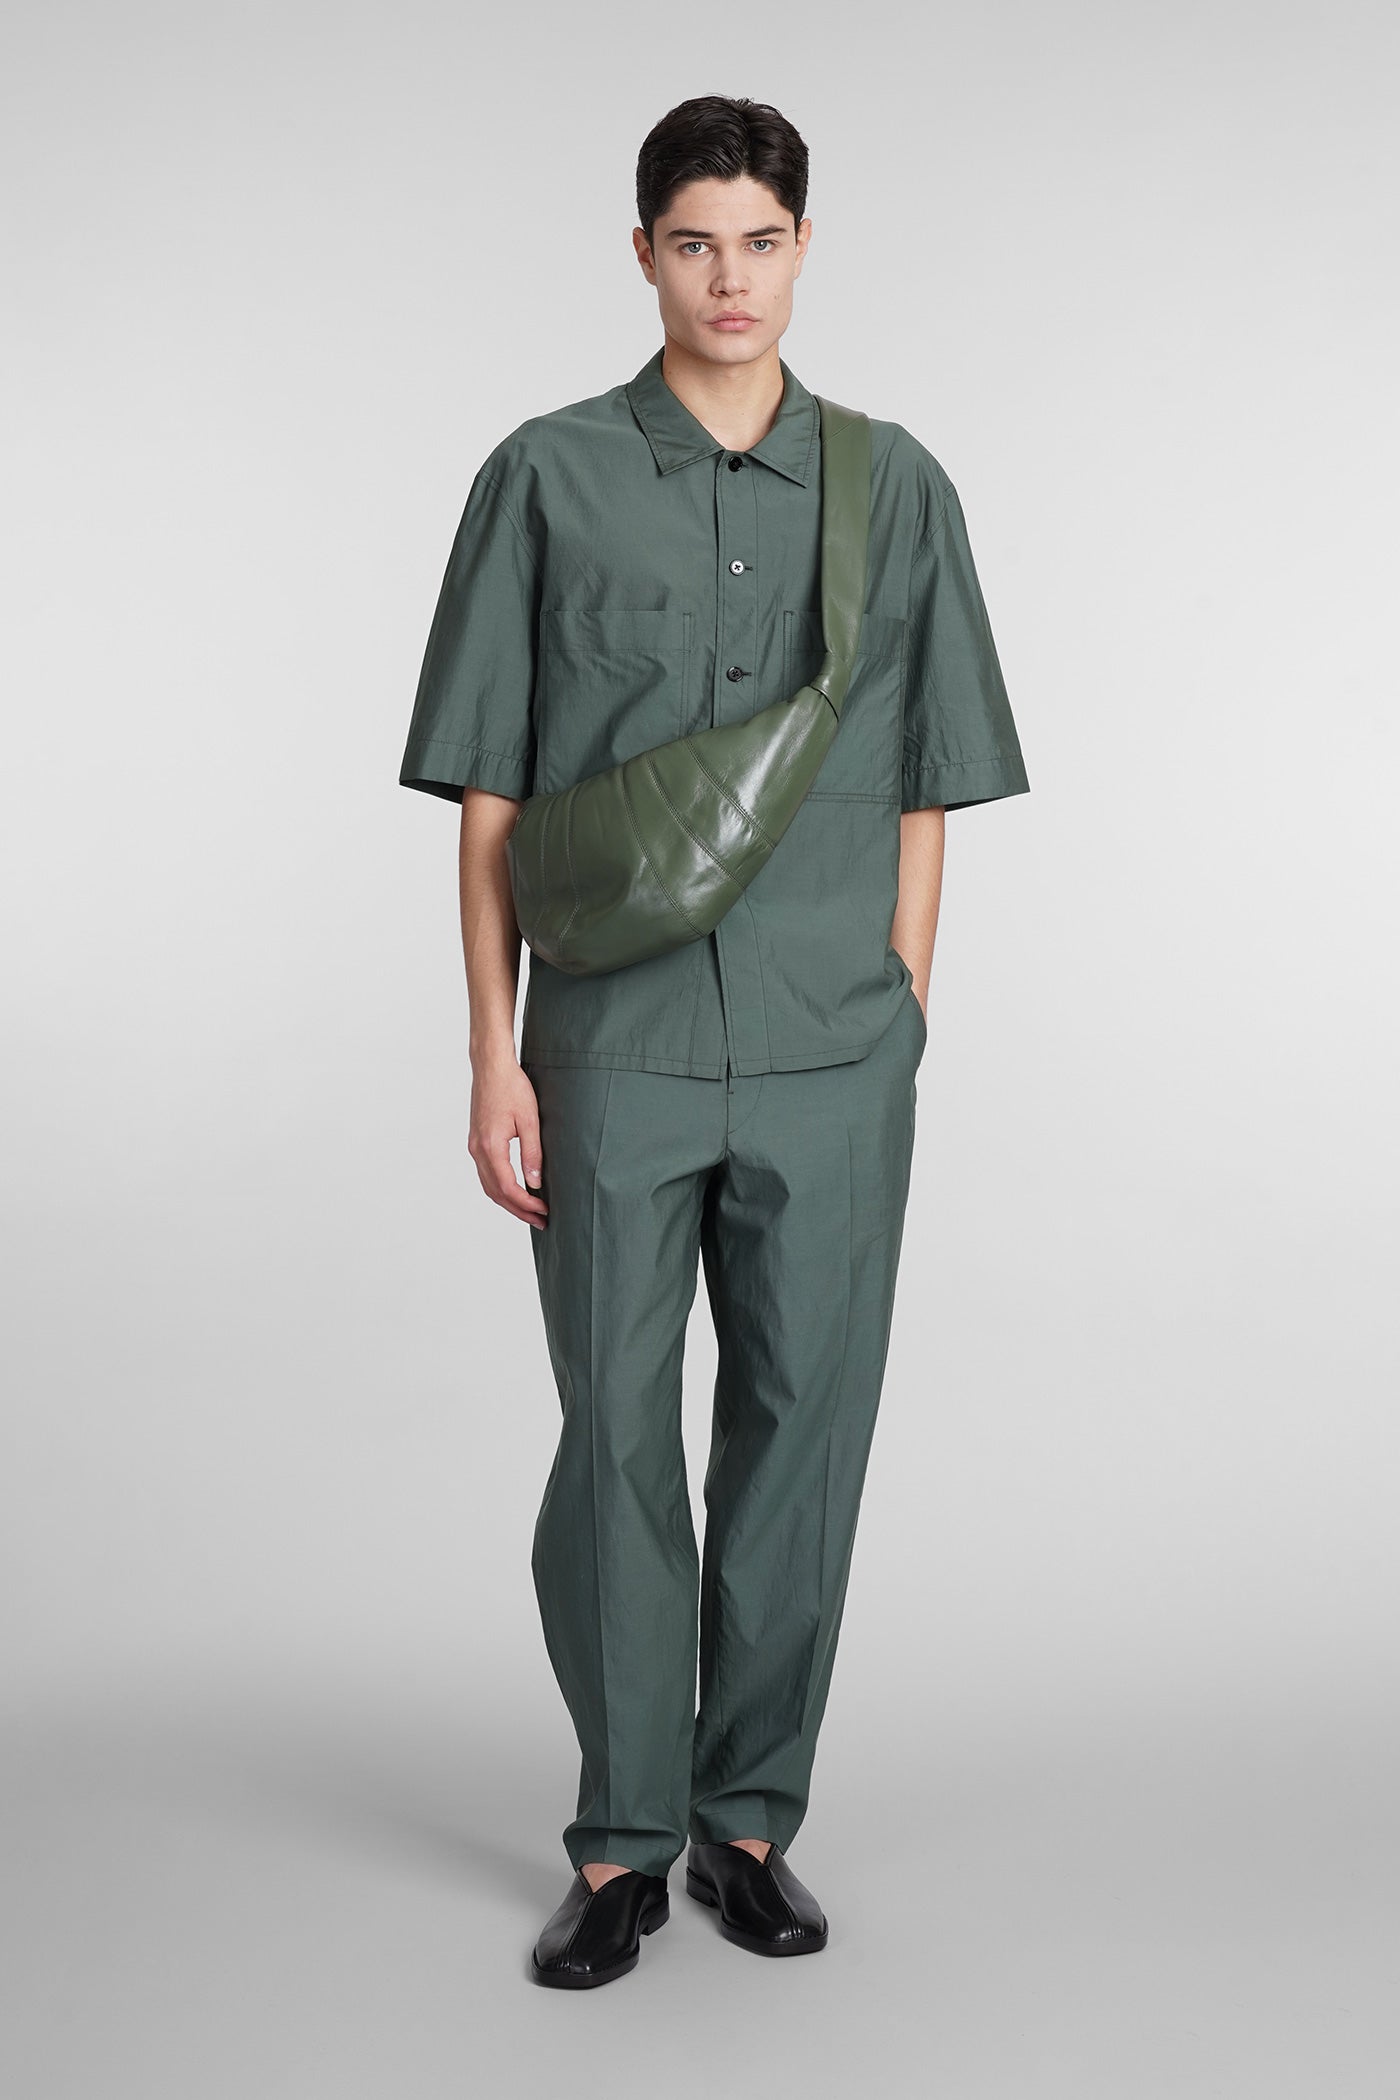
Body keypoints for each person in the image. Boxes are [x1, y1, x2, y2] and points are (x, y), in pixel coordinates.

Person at [398, 94, 1029, 1988]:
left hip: (837, 1052)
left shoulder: (895, 487)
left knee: (799, 1435)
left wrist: (903, 1003)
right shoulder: (546, 474)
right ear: (644, 253)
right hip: (609, 1049)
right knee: (613, 1438)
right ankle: (621, 1842)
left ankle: (750, 1818)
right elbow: (493, 799)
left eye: (760, 241)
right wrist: (494, 1052)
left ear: (804, 249)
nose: (728, 279)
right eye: (694, 242)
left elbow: (929, 778)